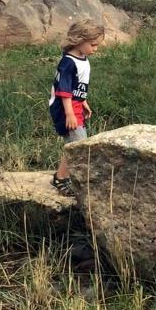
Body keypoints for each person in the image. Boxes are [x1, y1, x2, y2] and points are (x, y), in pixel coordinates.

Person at [49, 19, 105, 195]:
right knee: (77, 145)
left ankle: (62, 176)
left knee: (76, 144)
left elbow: (77, 85)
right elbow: (64, 91)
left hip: (75, 105)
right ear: (80, 40)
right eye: (93, 44)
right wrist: (70, 114)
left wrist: (83, 102)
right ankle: (61, 179)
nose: (95, 49)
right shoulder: (68, 62)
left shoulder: (82, 58)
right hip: (65, 107)